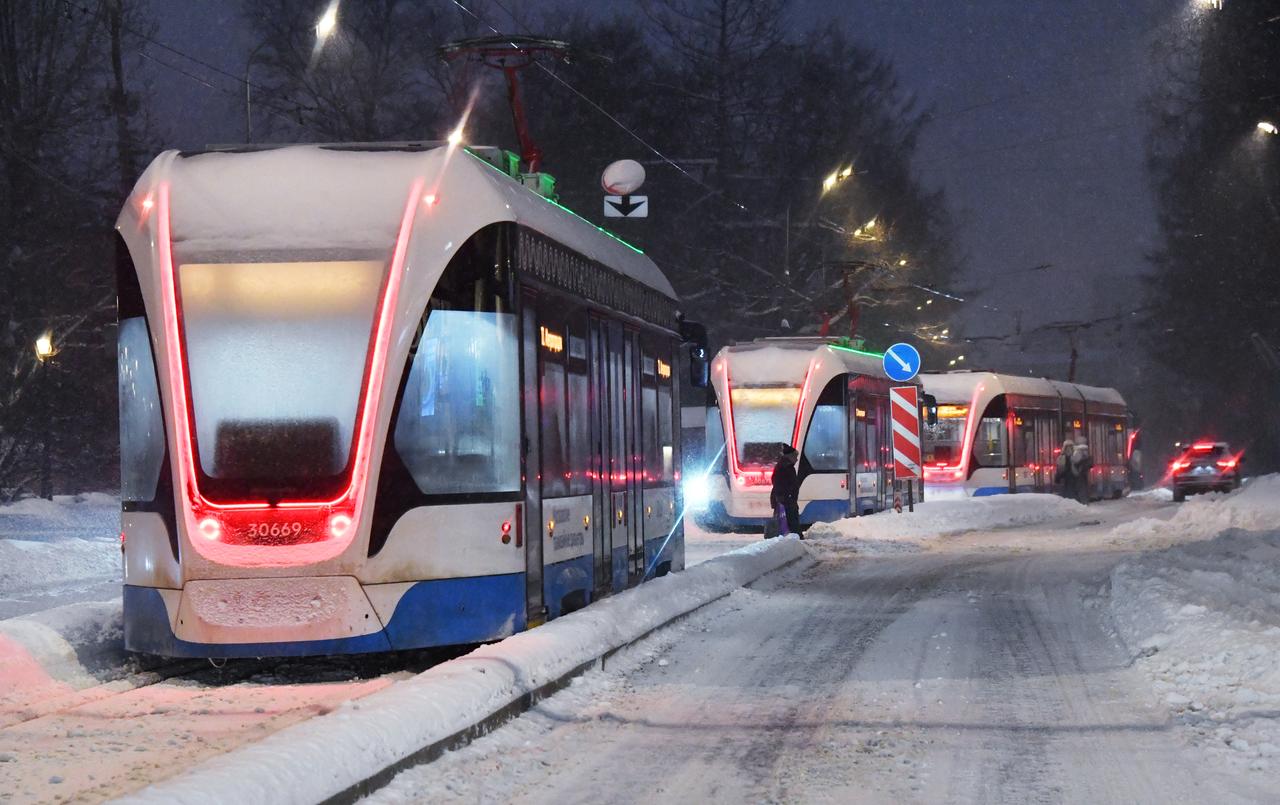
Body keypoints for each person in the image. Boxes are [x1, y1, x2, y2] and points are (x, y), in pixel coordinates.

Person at [770, 444, 802, 538]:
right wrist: (786, 496)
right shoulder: (786, 467)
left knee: (787, 519)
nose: (796, 459)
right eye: (795, 457)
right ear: (790, 456)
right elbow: (780, 483)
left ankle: (794, 536)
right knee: (790, 519)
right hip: (786, 500)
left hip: (786, 498)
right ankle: (796, 537)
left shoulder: (784, 466)